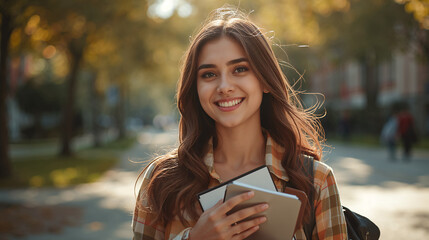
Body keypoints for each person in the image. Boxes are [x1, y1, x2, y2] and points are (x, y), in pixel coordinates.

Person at [133, 6, 347, 240]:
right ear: (196, 89)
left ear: (265, 81)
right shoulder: (161, 180)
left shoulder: (316, 180)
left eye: (240, 69)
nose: (224, 86)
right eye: (209, 74)